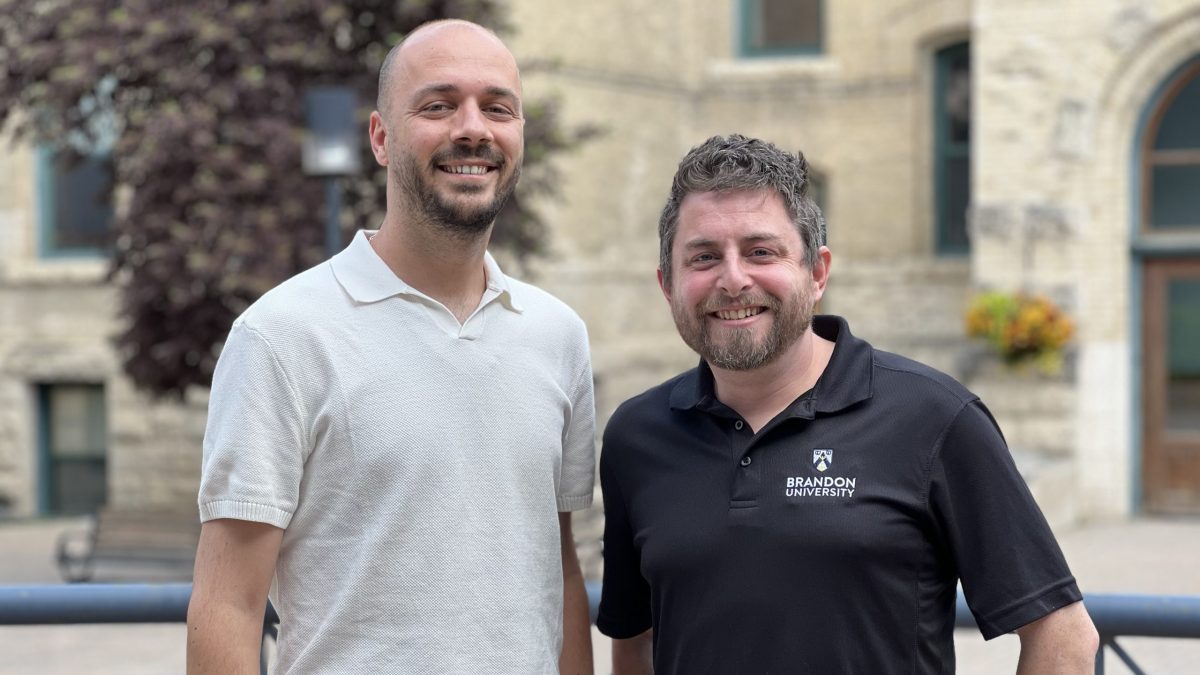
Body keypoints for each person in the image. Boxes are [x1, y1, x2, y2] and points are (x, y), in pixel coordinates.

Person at [596, 134, 1099, 674]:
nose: (734, 278)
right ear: (667, 285)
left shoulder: (933, 417)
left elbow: (1063, 634)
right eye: (704, 257)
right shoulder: (637, 436)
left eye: (761, 252)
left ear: (817, 273)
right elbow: (636, 639)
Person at [186, 20, 595, 675]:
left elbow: (561, 576)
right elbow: (228, 606)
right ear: (381, 137)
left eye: (498, 108)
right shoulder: (281, 335)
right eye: (438, 105)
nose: (473, 128)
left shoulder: (557, 335)